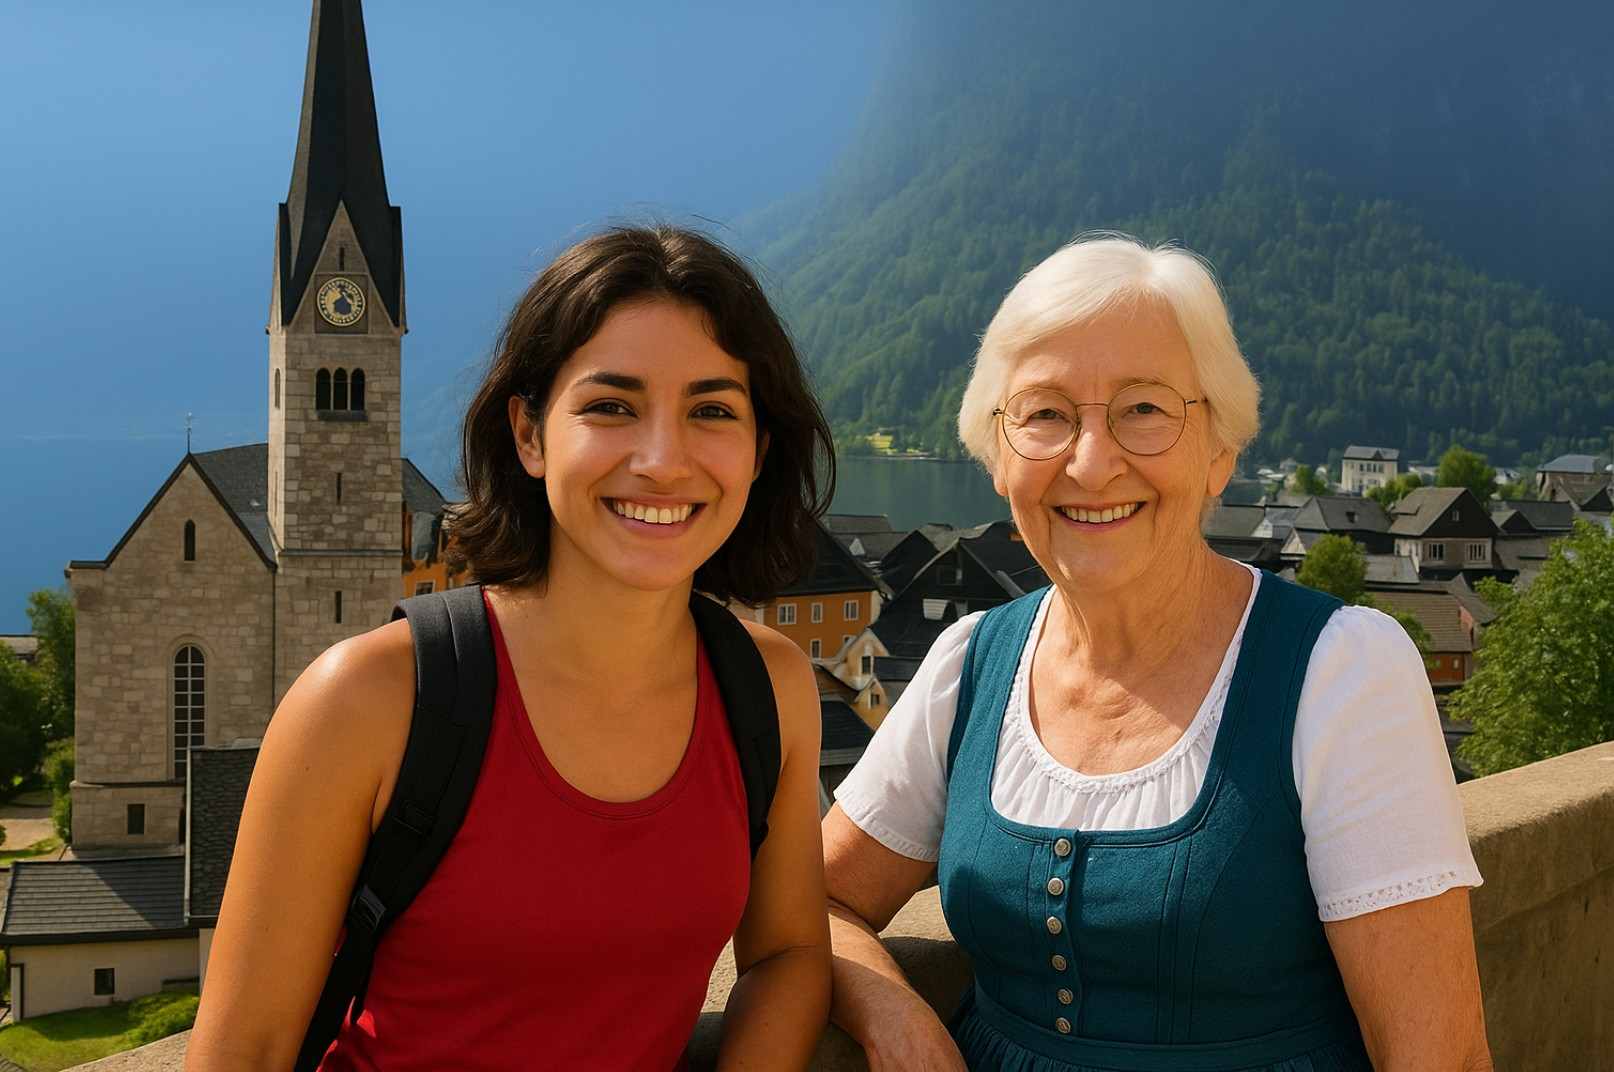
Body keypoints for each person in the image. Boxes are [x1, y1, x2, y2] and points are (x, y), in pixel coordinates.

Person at [822, 233, 1493, 1071]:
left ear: (1220, 451)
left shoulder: (1341, 672)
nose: (1091, 463)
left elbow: (1439, 1056)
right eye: (1045, 414)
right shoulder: (970, 664)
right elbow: (821, 901)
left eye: (1143, 409)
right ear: (998, 456)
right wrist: (893, 1013)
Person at [188, 226, 834, 1071]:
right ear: (529, 434)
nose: (662, 460)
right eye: (611, 407)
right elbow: (246, 1050)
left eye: (712, 410)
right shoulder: (368, 700)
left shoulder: (766, 687)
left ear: (758, 450)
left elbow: (789, 952)